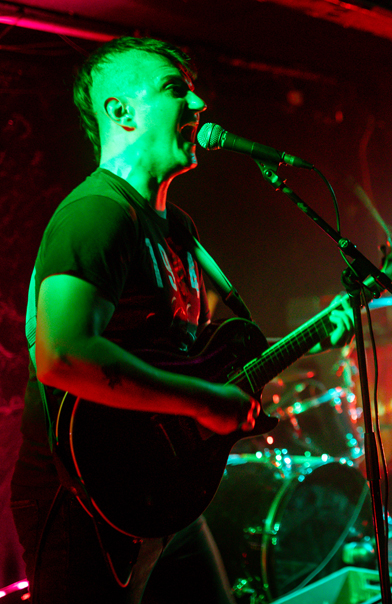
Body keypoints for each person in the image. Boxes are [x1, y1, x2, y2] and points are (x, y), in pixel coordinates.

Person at [8, 36, 353, 603]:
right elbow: (62, 354)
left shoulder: (178, 229)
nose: (198, 105)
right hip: (84, 502)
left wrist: (304, 341)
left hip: (163, 489)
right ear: (120, 111)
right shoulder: (97, 215)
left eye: (194, 92)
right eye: (176, 90)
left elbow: (191, 358)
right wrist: (202, 401)